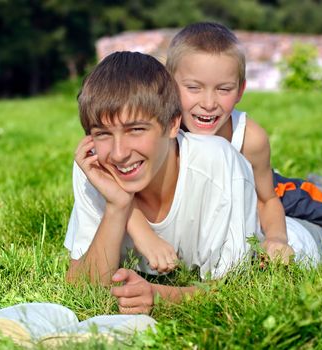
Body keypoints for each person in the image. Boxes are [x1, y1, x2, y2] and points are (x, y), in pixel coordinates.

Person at [125, 22, 322, 273]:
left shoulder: (250, 138)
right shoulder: (161, 128)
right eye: (193, 88)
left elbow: (268, 200)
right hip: (214, 192)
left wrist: (276, 239)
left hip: (260, 188)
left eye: (223, 89)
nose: (208, 103)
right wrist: (145, 234)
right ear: (169, 84)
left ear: (241, 90)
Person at [65, 50, 260, 313]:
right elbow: (81, 288)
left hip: (267, 208)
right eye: (103, 134)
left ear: (171, 124)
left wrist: (160, 295)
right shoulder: (96, 169)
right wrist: (118, 207)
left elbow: (235, 290)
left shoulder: (218, 164)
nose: (119, 153)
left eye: (136, 130)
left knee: (321, 228)